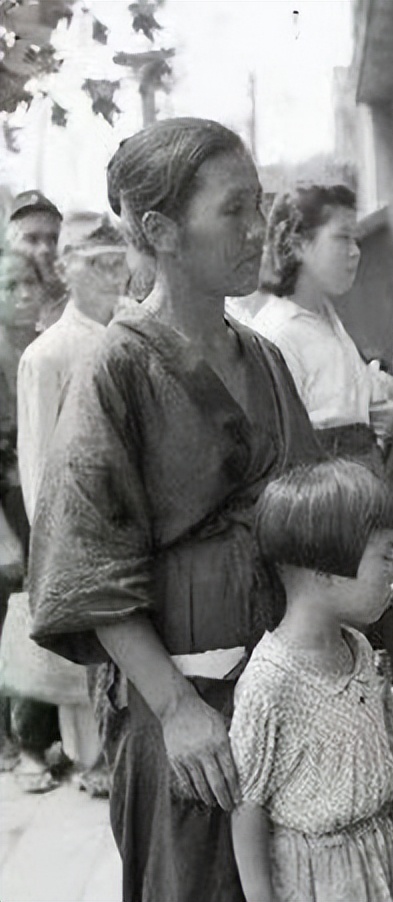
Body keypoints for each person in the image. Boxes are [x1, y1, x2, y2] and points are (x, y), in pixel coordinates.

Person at [26, 117, 321, 902]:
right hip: (186, 713)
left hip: (285, 693)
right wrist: (176, 708)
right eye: (234, 210)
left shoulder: (263, 356)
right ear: (159, 230)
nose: (259, 229)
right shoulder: (114, 372)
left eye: (259, 205)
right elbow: (85, 568)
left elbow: (312, 514)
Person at [230, 460, 393, 902]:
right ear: (324, 568)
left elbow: (373, 746)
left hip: (382, 856)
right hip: (320, 877)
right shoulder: (270, 683)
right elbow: (247, 804)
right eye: (386, 556)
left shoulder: (358, 650)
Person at [15, 213, 131, 797]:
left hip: (136, 525)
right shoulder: (48, 355)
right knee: (100, 671)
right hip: (85, 534)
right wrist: (58, 555)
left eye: (118, 259)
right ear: (67, 270)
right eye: (96, 263)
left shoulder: (131, 335)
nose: (113, 273)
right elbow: (38, 472)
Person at [250, 183, 393, 480]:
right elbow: (279, 451)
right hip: (326, 504)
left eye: (356, 239)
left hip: (360, 491)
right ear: (299, 244)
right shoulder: (278, 334)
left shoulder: (327, 316)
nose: (355, 252)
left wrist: (379, 417)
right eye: (342, 238)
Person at [0, 248, 64, 786]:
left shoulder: (47, 347)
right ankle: (26, 746)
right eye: (8, 285)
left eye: (28, 283)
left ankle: (55, 737)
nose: (21, 293)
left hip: (43, 498)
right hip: (10, 506)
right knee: (19, 622)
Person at [6, 190, 67, 331]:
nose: (45, 249)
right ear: (9, 243)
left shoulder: (71, 302)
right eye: (32, 239)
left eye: (53, 239)